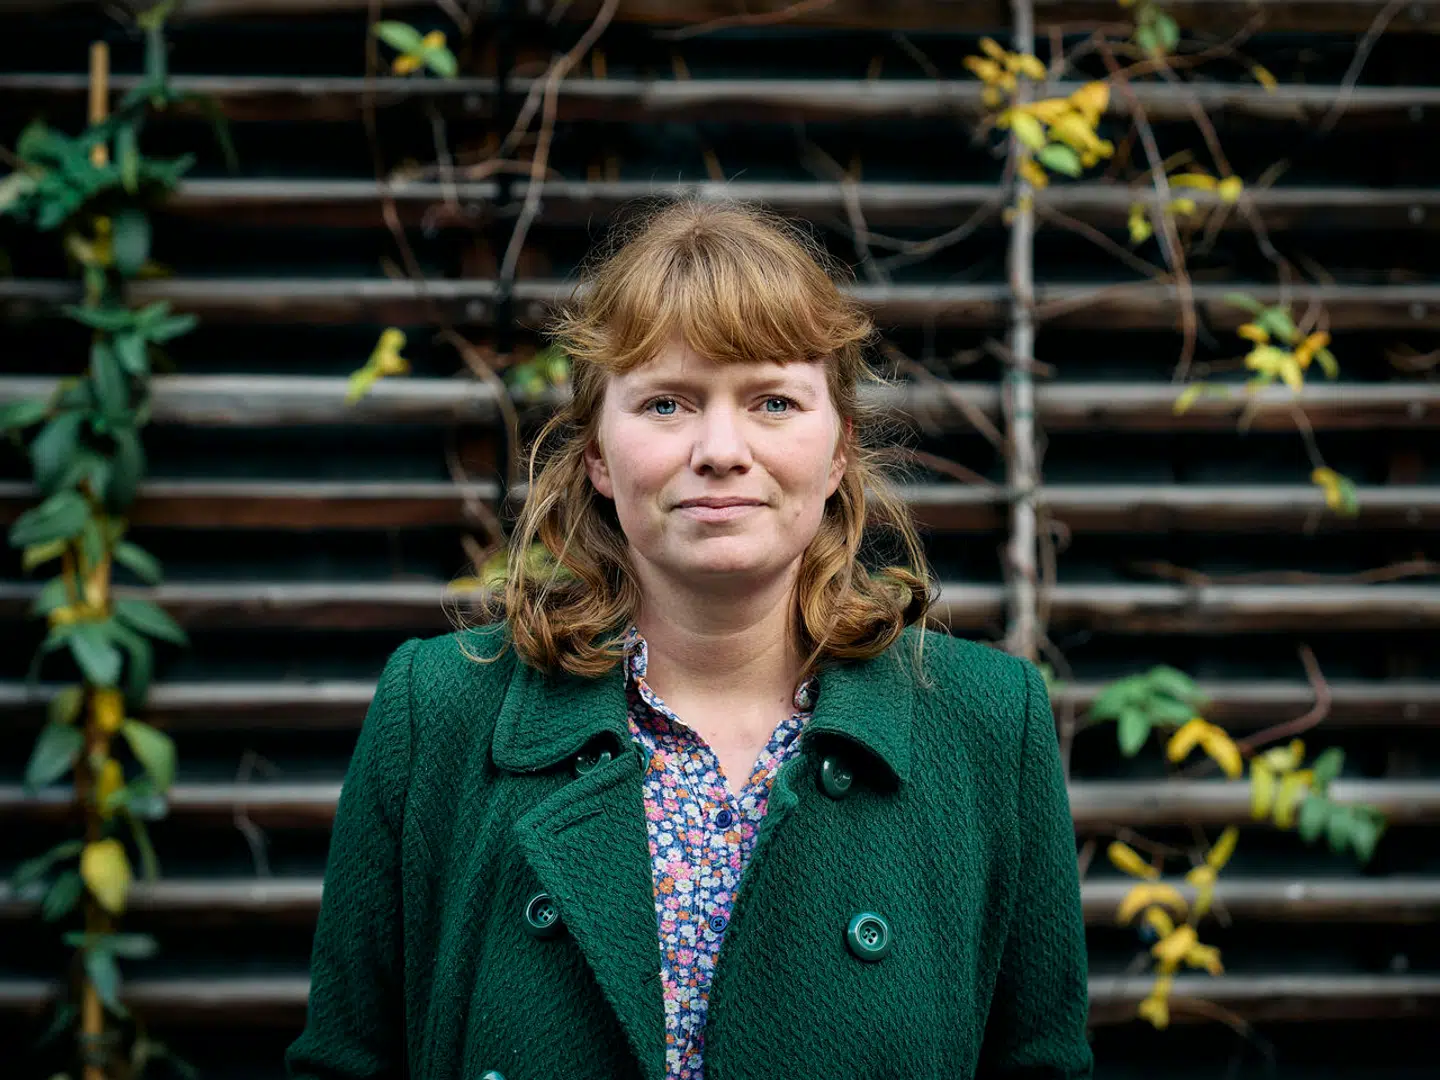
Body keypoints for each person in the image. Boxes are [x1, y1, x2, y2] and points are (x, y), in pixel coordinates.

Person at [284, 198, 1093, 1080]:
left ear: (838, 451)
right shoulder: (438, 713)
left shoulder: (987, 725)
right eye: (667, 403)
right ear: (597, 454)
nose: (720, 449)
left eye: (772, 401)